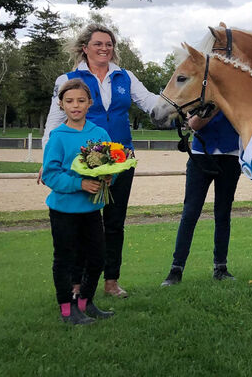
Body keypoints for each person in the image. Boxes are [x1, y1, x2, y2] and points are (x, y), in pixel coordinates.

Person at [40, 23, 159, 298]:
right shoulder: (68, 79)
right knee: (84, 222)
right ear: (85, 48)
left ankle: (111, 281)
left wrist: (175, 105)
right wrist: (45, 160)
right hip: (84, 164)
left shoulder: (125, 77)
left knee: (115, 223)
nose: (105, 48)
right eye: (98, 44)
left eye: (109, 44)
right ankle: (78, 283)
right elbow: (53, 124)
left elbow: (150, 102)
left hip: (120, 161)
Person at [42, 79, 115, 325]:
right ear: (61, 104)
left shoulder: (99, 134)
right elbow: (50, 174)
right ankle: (67, 308)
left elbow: (109, 165)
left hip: (92, 209)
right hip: (63, 211)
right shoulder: (58, 137)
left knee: (97, 258)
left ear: (89, 103)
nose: (76, 106)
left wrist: (108, 176)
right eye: (70, 101)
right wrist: (79, 184)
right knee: (66, 259)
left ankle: (85, 302)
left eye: (81, 101)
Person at [161, 109, 241, 286]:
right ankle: (176, 269)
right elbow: (194, 124)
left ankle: (220, 267)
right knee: (190, 213)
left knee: (223, 214)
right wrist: (217, 106)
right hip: (201, 155)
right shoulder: (201, 91)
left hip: (231, 155)